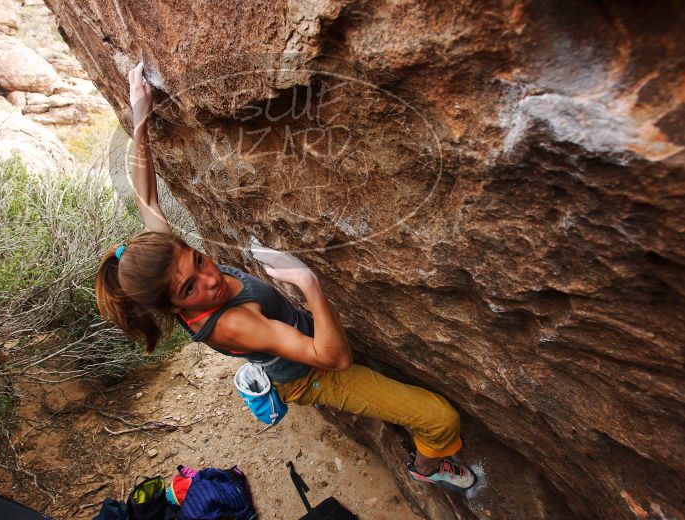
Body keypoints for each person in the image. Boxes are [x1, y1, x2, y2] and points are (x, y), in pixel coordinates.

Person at [94, 62, 476, 492]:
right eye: (190, 288)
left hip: (301, 343)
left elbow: (146, 195)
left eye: (199, 261)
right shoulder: (237, 322)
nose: (209, 279)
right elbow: (334, 359)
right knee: (438, 416)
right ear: (172, 306)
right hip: (315, 375)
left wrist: (139, 114)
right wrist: (309, 283)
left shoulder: (169, 262)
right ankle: (426, 470)